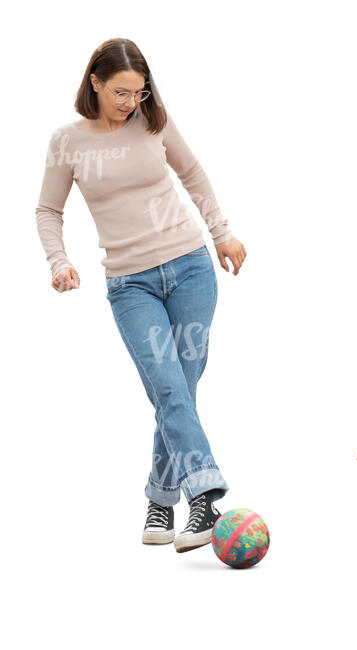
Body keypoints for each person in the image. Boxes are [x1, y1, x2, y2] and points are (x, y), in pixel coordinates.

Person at [34, 38, 247, 553]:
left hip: (191, 267)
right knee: (169, 388)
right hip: (130, 284)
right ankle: (205, 496)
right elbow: (48, 211)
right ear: (95, 83)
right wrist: (59, 262)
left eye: (139, 91)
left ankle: (160, 498)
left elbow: (192, 173)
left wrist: (222, 232)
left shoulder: (154, 119)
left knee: (180, 391)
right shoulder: (68, 141)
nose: (131, 102)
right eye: (121, 92)